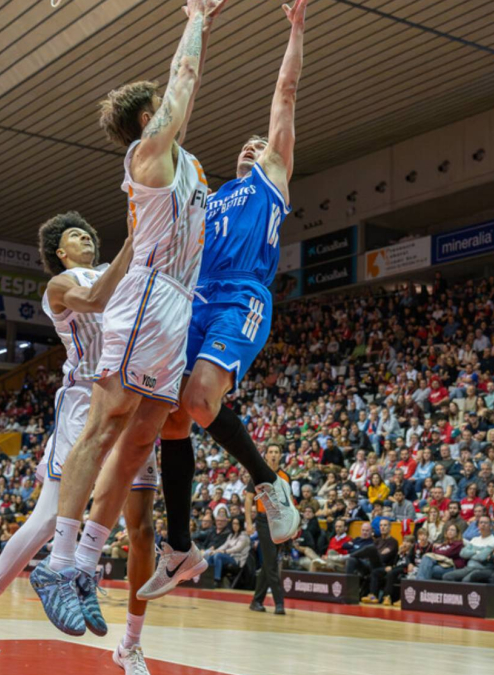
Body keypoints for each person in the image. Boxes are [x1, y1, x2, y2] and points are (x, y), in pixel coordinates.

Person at [31, 0, 226, 640]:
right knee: (108, 418)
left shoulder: (191, 167)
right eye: (163, 108)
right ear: (149, 119)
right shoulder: (150, 152)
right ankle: (57, 562)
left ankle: (86, 561)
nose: (174, 110)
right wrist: (197, 18)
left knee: (145, 435)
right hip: (145, 297)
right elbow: (185, 85)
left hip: (179, 302)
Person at [0, 212, 160, 675]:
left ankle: (126, 637)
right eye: (76, 235)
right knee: (48, 520)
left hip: (134, 398)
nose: (86, 238)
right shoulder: (62, 283)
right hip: (85, 400)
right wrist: (135, 242)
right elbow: (97, 300)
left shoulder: (124, 268)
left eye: (88, 234)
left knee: (141, 530)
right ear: (60, 251)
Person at [146, 0, 308, 600]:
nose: (251, 147)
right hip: (194, 299)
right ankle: (181, 548)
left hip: (242, 294)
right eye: (243, 145)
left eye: (258, 144)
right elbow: (177, 113)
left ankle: (268, 483)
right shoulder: (209, 199)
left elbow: (285, 94)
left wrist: (296, 29)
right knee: (170, 417)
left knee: (200, 397)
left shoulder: (271, 179)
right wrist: (200, 25)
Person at [248, 444, 293, 614]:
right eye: (271, 452)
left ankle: (256, 601)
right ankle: (279, 603)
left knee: (269, 563)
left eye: (276, 452)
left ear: (281, 456)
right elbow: (248, 498)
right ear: (266, 455)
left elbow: (289, 502)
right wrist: (248, 523)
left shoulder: (285, 477)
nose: (273, 455)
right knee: (272, 562)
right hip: (263, 521)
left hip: (281, 521)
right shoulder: (257, 473)